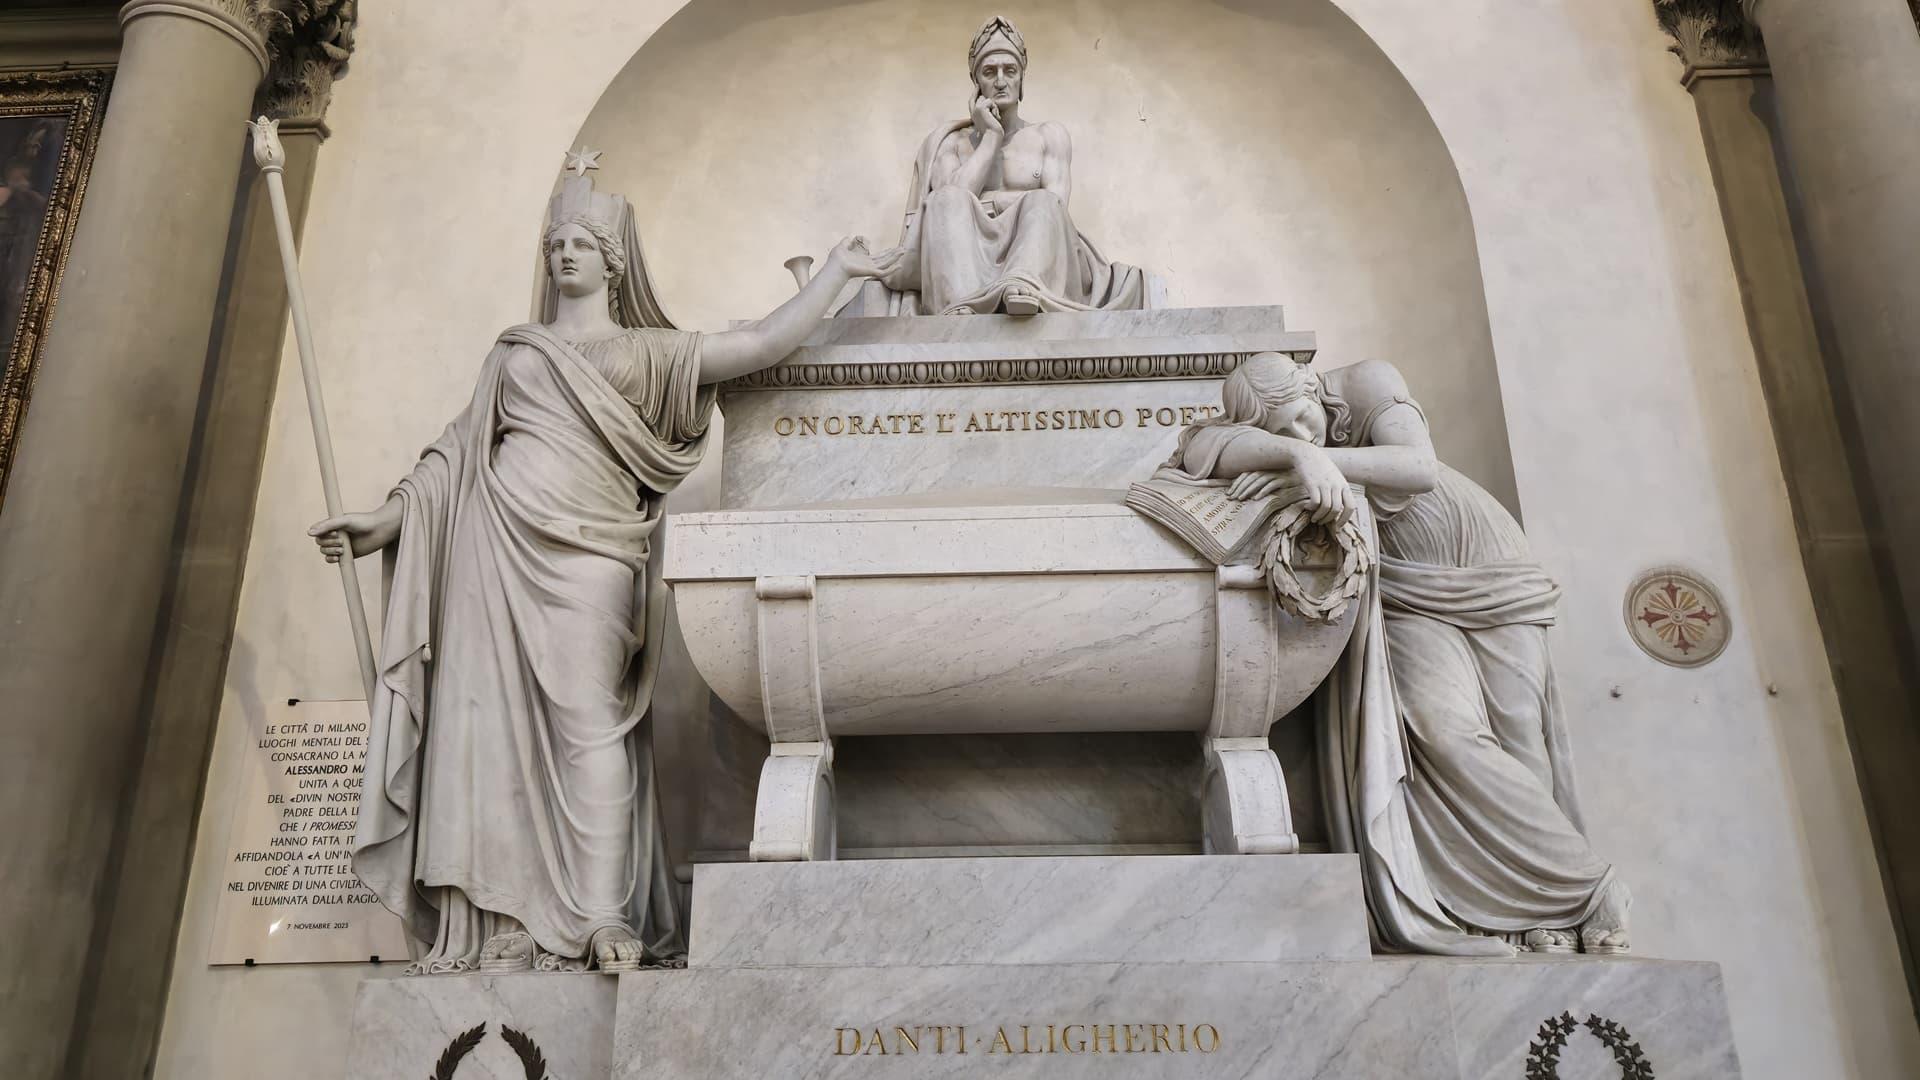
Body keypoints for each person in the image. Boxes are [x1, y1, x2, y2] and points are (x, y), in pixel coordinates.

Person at [310, 173, 883, 973]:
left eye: (580, 243)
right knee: (488, 732)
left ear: (613, 260)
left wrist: (833, 275)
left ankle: (599, 915)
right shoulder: (515, 350)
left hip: (593, 555)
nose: (564, 254)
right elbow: (457, 454)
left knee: (590, 724)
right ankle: (508, 921)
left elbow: (752, 348)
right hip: (493, 551)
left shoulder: (650, 352)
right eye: (555, 245)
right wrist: (388, 517)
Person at [1160, 352, 1630, 956]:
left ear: (1312, 387)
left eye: (1305, 417)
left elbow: (1417, 467)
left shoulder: (1366, 382)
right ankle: (1586, 887)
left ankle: (1549, 905)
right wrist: (1295, 456)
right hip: (1402, 588)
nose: (1304, 433)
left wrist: (1311, 460)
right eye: (1282, 433)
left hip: (1486, 564)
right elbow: (1205, 449)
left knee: (1520, 737)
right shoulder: (1275, 447)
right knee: (1447, 732)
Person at [867, 15, 1150, 316]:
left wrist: (989, 206)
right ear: (976, 85)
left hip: (1035, 258)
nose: (1000, 81)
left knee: (1042, 202)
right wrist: (991, 137)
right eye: (990, 72)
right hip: (965, 264)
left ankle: (1024, 286)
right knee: (945, 198)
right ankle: (962, 303)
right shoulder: (951, 144)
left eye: (1009, 70)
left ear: (1021, 79)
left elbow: (1056, 211)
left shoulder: (1048, 136)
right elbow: (945, 212)